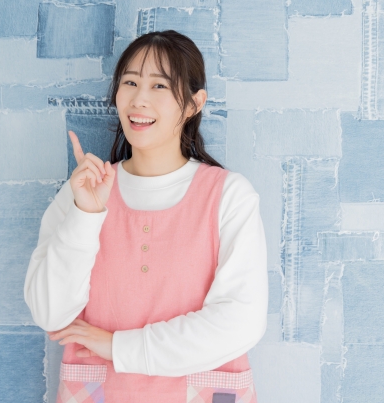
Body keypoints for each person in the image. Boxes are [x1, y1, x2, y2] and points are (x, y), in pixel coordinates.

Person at [24, 30, 268, 403]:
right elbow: (50, 313)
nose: (139, 99)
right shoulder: (81, 193)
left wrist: (119, 347)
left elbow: (240, 322)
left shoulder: (230, 196)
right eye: (130, 83)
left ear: (194, 103)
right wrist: (86, 214)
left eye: (159, 86)